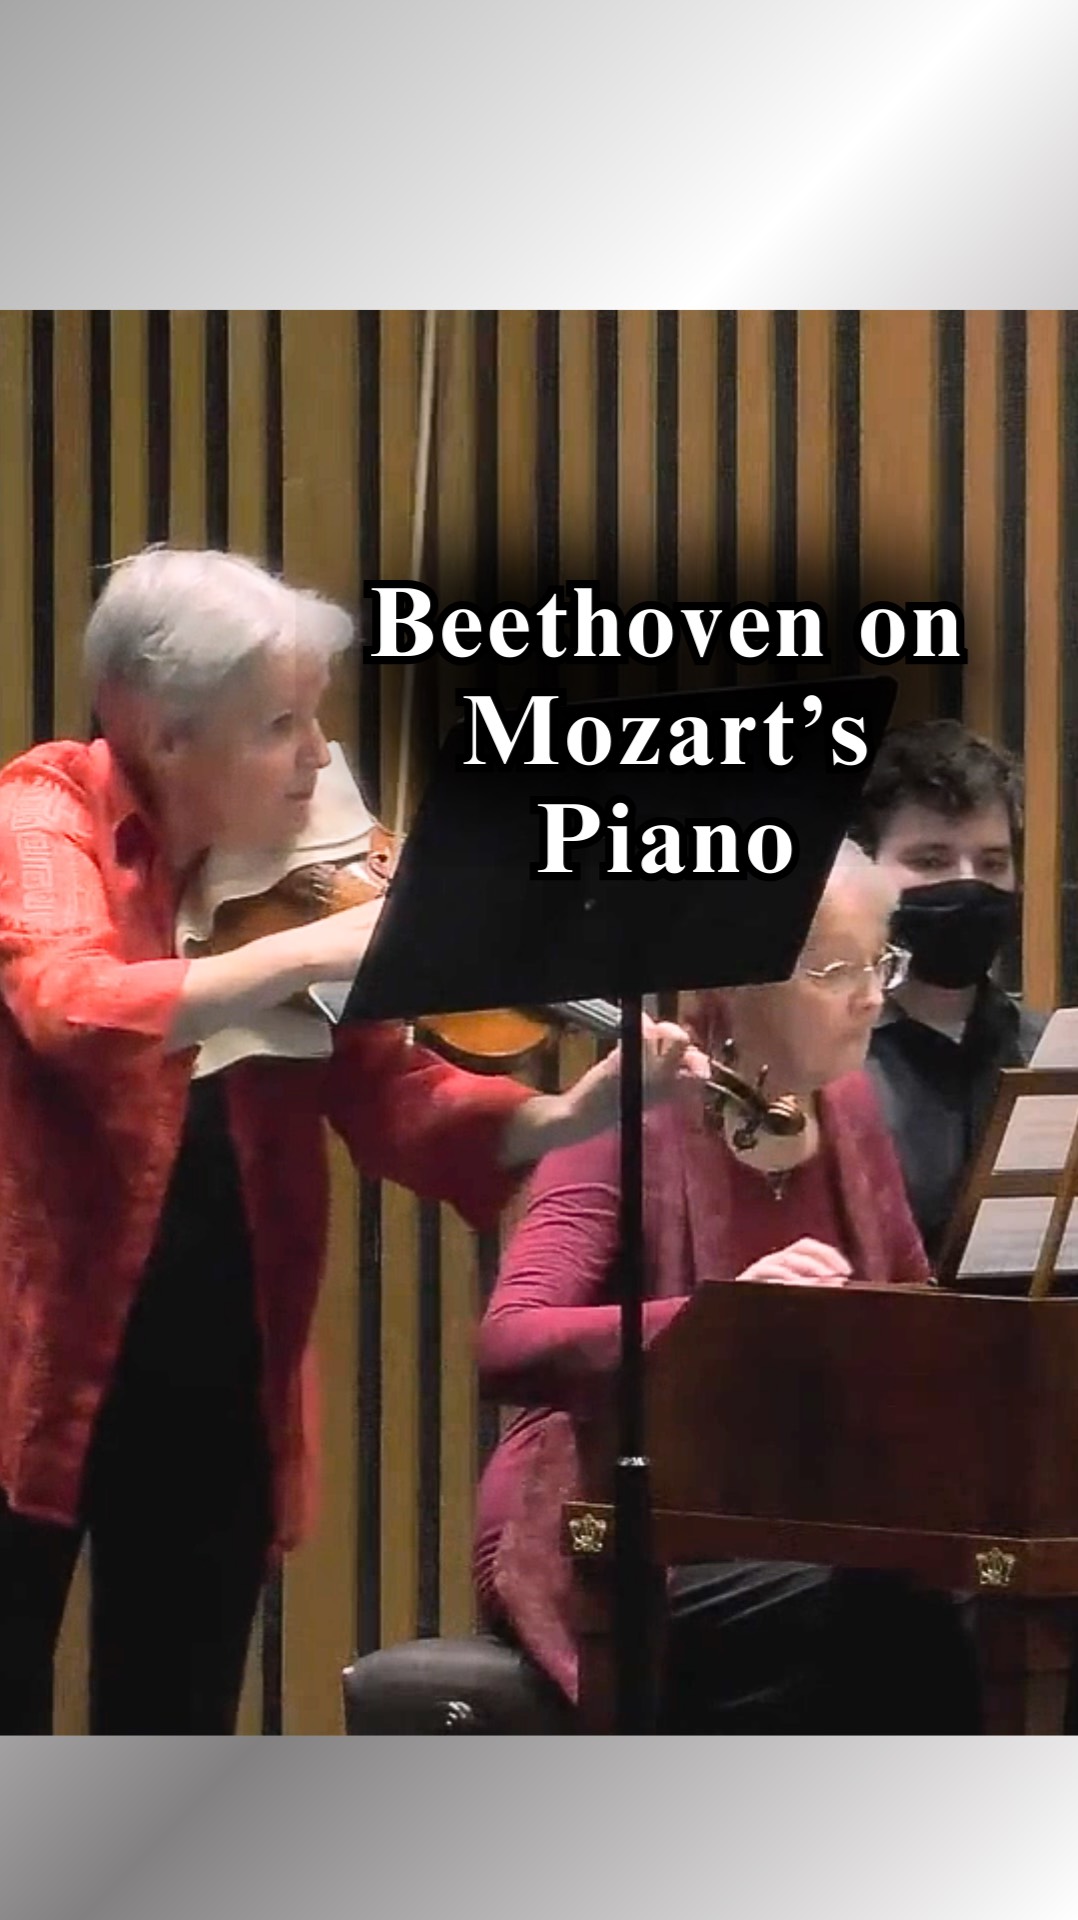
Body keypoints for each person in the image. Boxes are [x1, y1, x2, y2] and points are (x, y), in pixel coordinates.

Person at [0, 545, 703, 1735]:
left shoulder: (288, 859)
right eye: (280, 726)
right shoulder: (44, 813)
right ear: (164, 736)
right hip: (35, 1359)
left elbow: (387, 1094)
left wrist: (570, 1115)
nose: (321, 758)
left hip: (221, 1357)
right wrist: (312, 952)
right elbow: (69, 1005)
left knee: (173, 1721)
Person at [473, 841, 981, 1732]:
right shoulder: (635, 1113)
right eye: (836, 972)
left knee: (992, 1592)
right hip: (617, 1532)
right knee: (893, 1609)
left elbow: (911, 1308)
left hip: (802, 1513)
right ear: (742, 981)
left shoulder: (849, 1107)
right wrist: (722, 1322)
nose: (873, 996)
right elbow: (508, 1341)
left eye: (881, 963)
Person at [853, 718, 1043, 1263]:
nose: (969, 883)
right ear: (861, 870)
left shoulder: (1046, 1053)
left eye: (993, 863)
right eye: (931, 861)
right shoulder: (818, 1066)